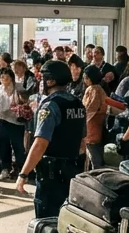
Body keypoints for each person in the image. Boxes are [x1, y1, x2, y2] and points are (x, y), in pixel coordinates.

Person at [15, 60, 85, 219]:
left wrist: (23, 174)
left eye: (43, 78)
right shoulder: (77, 103)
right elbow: (82, 142)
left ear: (51, 81)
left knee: (47, 220)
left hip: (51, 174)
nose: (41, 82)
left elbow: (40, 143)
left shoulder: (50, 106)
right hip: (73, 170)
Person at [0, 68, 30, 182]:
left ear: (11, 78)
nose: (4, 80)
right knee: (3, 146)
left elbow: (25, 100)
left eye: (6, 78)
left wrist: (19, 101)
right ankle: (5, 169)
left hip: (16, 121)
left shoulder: (18, 87)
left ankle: (23, 172)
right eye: (2, 77)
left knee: (18, 147)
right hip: (2, 119)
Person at [81, 67, 107, 169]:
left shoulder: (94, 89)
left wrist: (83, 122)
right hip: (95, 124)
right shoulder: (97, 88)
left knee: (93, 154)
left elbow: (91, 108)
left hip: (92, 125)